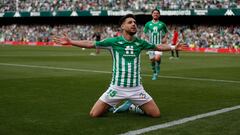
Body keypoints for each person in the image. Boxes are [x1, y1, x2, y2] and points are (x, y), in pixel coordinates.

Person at [54, 14, 184, 118]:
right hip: (116, 88)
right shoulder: (113, 42)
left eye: (134, 22)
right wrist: (71, 42)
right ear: (122, 26)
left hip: (136, 89)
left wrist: (173, 47)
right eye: (130, 22)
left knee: (156, 114)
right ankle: (111, 105)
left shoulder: (140, 43)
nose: (133, 24)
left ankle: (133, 106)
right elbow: (91, 43)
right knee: (94, 114)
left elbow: (157, 46)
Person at [142, 9, 169, 80]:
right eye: (154, 13)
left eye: (157, 13)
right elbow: (144, 33)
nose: (155, 14)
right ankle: (154, 72)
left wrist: (165, 38)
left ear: (159, 15)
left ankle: (157, 67)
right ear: (152, 14)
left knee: (157, 58)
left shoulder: (162, 24)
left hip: (159, 44)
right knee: (152, 60)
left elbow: (166, 32)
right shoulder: (148, 24)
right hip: (151, 45)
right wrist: (145, 39)